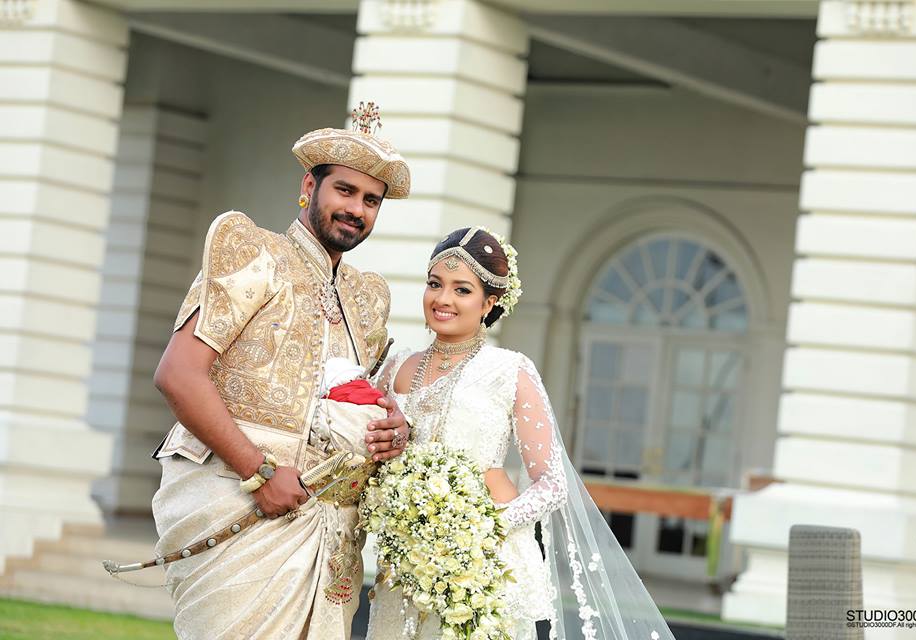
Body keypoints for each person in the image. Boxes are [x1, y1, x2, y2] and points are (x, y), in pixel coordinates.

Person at [149, 103, 412, 639]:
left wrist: (393, 430)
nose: (356, 209)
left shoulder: (366, 298)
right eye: (344, 190)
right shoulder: (256, 256)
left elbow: (360, 401)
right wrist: (259, 473)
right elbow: (179, 374)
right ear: (309, 186)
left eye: (371, 201)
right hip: (237, 502)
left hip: (331, 531)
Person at [365, 228, 675, 640]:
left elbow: (552, 483)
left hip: (485, 560)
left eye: (462, 290)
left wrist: (479, 528)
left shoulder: (509, 370)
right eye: (435, 284)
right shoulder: (395, 366)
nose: (443, 299)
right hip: (407, 562)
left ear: (489, 303)